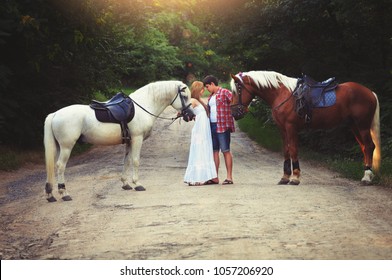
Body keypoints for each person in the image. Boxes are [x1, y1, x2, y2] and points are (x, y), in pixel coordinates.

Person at [184, 81, 218, 186]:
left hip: (204, 129)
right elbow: (185, 111)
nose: (204, 90)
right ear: (199, 90)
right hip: (199, 129)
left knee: (204, 149)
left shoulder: (200, 100)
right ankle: (197, 177)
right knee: (199, 150)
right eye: (202, 89)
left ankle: (205, 176)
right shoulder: (193, 100)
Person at [203, 75, 235, 185]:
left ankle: (229, 177)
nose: (207, 89)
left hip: (223, 125)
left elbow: (234, 103)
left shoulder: (225, 92)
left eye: (207, 86)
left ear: (212, 84)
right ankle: (215, 177)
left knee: (226, 150)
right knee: (214, 151)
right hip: (212, 125)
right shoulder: (211, 97)